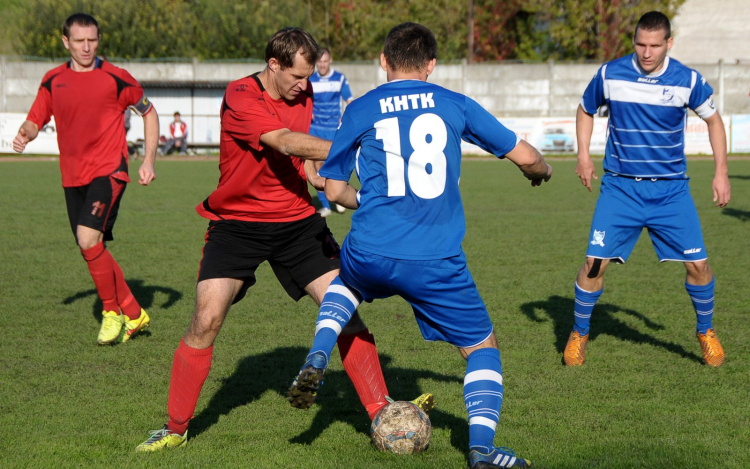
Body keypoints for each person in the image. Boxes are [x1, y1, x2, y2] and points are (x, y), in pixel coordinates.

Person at [135, 27, 431, 452]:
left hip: (297, 223)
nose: (305, 86)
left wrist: (322, 179)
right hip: (237, 224)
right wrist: (355, 148)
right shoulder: (241, 96)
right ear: (273, 65)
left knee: (346, 312)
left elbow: (300, 158)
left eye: (309, 77)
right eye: (297, 77)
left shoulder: (301, 92)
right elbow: (285, 141)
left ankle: (383, 412)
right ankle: (176, 428)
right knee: (205, 320)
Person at [287, 22, 552, 469]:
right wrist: (540, 172)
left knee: (346, 283)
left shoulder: (360, 107)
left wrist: (362, 198)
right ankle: (482, 451)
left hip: (371, 247)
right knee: (482, 348)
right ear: (431, 64)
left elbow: (332, 191)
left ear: (384, 61)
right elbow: (526, 156)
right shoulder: (454, 103)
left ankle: (319, 348)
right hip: (435, 258)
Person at [563, 11, 731, 367]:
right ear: (634, 41)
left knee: (699, 265)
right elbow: (584, 109)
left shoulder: (688, 80)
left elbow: (713, 120)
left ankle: (705, 331)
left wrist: (721, 172)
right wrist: (583, 156)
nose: (647, 52)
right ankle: (579, 332)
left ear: (669, 43)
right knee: (594, 264)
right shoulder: (610, 74)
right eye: (641, 43)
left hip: (670, 192)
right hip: (620, 189)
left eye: (655, 45)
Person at [13, 13, 159, 345]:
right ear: (66, 42)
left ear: (98, 39)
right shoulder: (53, 80)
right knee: (91, 246)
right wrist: (26, 132)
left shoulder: (117, 78)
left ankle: (111, 312)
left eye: (91, 40)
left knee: (86, 237)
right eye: (78, 41)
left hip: (109, 171)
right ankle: (135, 314)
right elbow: (36, 120)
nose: (86, 47)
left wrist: (149, 160)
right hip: (72, 176)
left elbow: (149, 111)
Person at [309, 47, 353, 217]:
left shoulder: (339, 78)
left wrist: (346, 118)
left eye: (325, 61)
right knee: (318, 167)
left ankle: (339, 196)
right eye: (319, 61)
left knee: (336, 165)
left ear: (330, 60)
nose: (322, 64)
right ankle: (326, 205)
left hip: (333, 129)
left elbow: (349, 100)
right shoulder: (310, 80)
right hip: (316, 129)